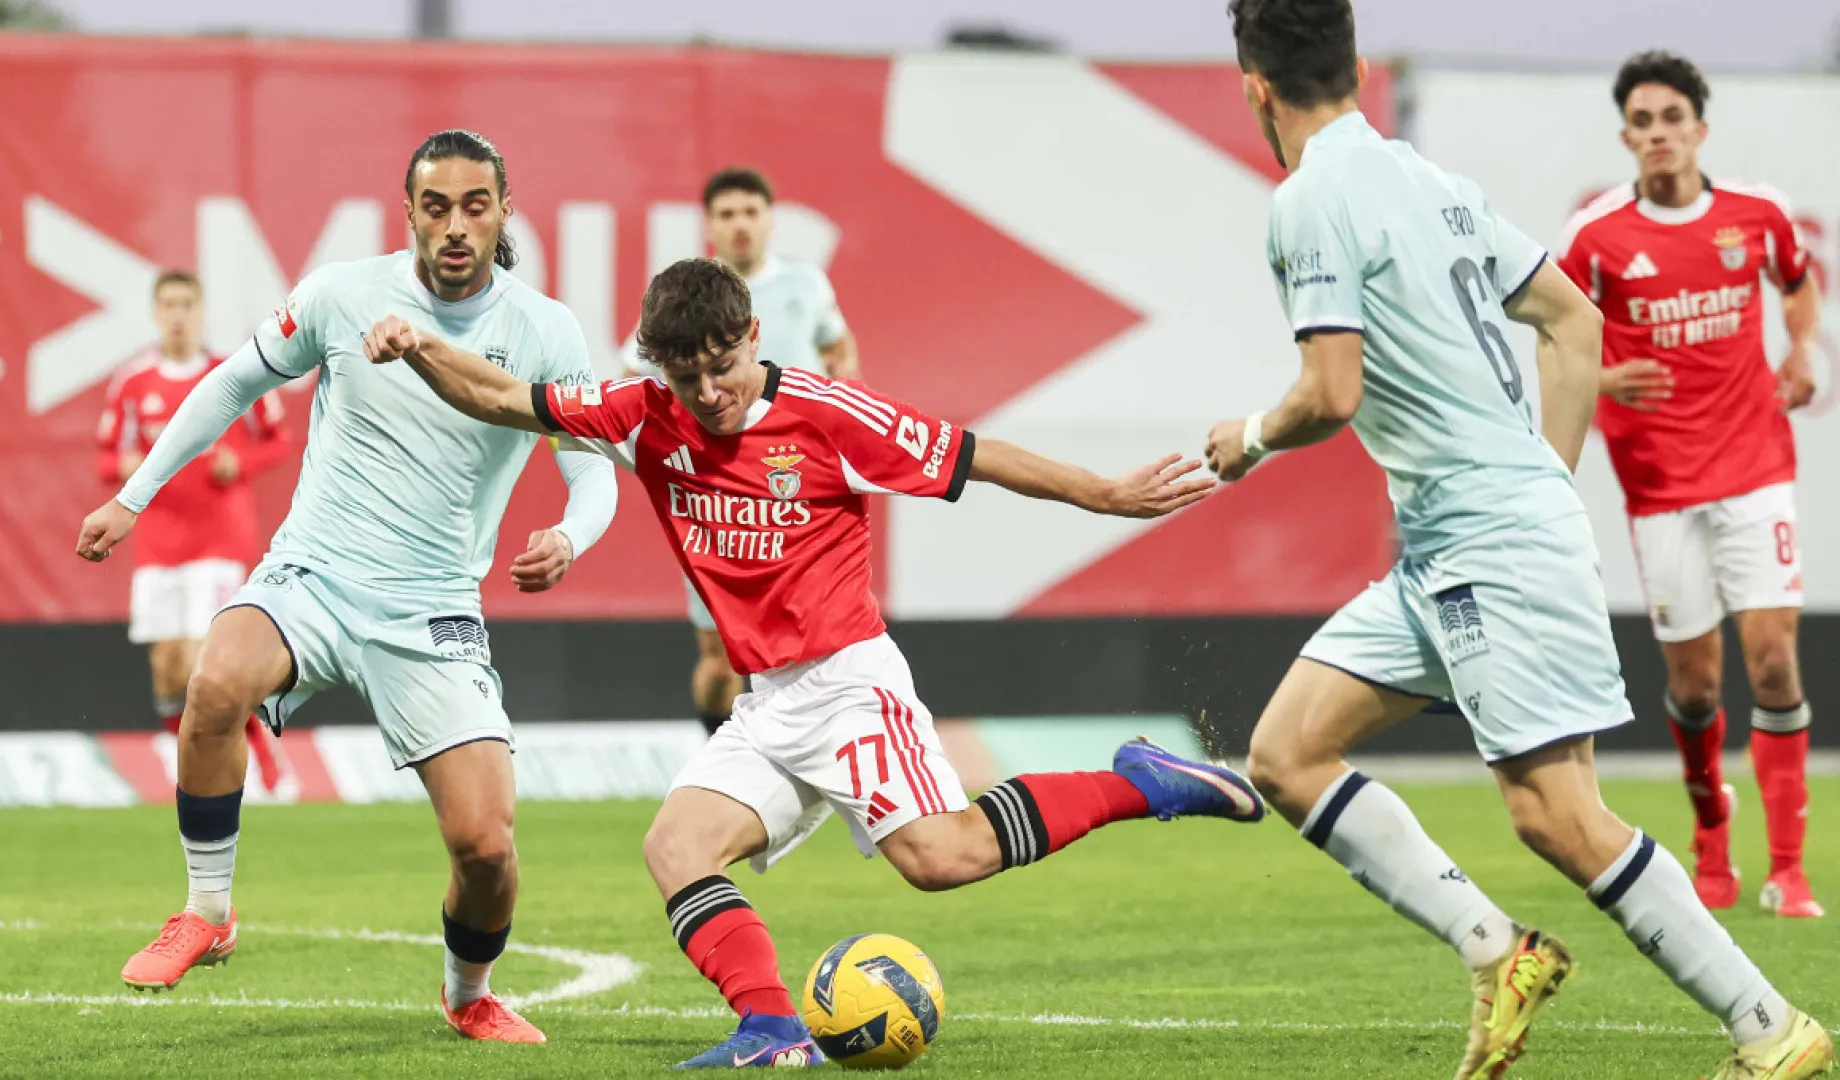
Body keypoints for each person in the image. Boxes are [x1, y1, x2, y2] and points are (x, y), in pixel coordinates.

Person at [365, 256, 1266, 1069]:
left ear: (754, 335)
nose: (708, 391)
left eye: (723, 365)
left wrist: (1103, 493)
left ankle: (1141, 782)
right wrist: (419, 347)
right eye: (685, 375)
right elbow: (500, 395)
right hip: (767, 704)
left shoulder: (830, 416)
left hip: (849, 687)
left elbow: (975, 456)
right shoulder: (643, 415)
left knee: (941, 858)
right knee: (676, 847)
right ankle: (772, 1029)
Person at [1209, 4, 1833, 1079]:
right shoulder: (1431, 181)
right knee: (1287, 753)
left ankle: (1769, 1027)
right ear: (1356, 65)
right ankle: (1498, 951)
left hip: (1486, 541)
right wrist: (1545, 474)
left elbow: (1331, 392)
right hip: (1454, 541)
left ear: (1256, 88)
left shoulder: (1311, 197)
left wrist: (1252, 437)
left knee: (1557, 816)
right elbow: (1574, 321)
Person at [74, 129, 619, 1045]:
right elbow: (231, 385)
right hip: (313, 574)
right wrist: (135, 497)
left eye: (474, 206)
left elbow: (592, 469)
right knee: (214, 684)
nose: (455, 226)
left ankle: (468, 992)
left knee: (487, 848)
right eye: (436, 207)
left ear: (503, 213)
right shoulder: (340, 293)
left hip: (433, 607)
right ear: (408, 213)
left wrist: (571, 534)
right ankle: (207, 910)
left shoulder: (546, 330)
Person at [1556, 51, 1823, 919]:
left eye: (1673, 118)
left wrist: (1802, 350)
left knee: (1774, 663)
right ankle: (1712, 830)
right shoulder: (1596, 237)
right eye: (1643, 121)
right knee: (1697, 689)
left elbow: (1799, 284)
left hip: (1755, 468)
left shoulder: (1757, 215)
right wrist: (1601, 379)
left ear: (1699, 129)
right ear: (1626, 136)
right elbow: (1554, 337)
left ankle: (1789, 868)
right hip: (1661, 485)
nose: (1659, 133)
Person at [621, 167, 862, 737]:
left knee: (816, 639)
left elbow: (838, 347)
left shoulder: (805, 285)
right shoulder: (684, 299)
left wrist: (844, 406)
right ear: (709, 225)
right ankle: (719, 750)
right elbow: (634, 377)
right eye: (727, 214)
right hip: (720, 498)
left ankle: (806, 749)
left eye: (751, 212)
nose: (741, 225)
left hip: (797, 490)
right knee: (721, 658)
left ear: (770, 219)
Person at [96, 270, 293, 794]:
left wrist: (240, 463)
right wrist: (124, 465)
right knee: (167, 668)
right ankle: (185, 762)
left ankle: (259, 755)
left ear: (201, 310)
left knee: (203, 658)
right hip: (158, 544)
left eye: (187, 303)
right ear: (155, 312)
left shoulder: (232, 372)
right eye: (169, 304)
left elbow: (278, 440)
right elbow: (105, 458)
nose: (178, 315)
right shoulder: (133, 383)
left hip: (218, 541)